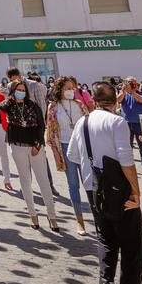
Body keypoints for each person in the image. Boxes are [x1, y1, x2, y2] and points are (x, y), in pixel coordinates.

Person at [66, 82, 142, 284]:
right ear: (115, 101)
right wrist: (136, 191)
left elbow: (72, 155)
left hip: (94, 191)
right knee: (133, 249)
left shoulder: (82, 123)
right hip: (119, 192)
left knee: (105, 240)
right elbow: (126, 159)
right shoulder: (117, 122)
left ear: (92, 100)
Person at [2, 74, 58, 230]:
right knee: (25, 181)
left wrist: (37, 144)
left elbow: (41, 126)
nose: (21, 92)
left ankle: (52, 215)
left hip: (35, 147)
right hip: (17, 146)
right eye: (18, 90)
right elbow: (2, 106)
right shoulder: (10, 105)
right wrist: (12, 97)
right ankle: (32, 214)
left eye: (23, 90)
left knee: (43, 181)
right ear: (13, 91)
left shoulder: (33, 105)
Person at [48, 75, 92, 235]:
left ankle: (97, 216)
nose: (70, 90)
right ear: (60, 89)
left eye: (72, 88)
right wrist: (56, 154)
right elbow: (51, 133)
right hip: (65, 147)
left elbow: (88, 125)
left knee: (90, 182)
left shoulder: (80, 104)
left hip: (83, 147)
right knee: (73, 184)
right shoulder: (53, 107)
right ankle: (80, 221)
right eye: (67, 88)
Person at [117, 77, 142, 169]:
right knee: (128, 146)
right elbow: (118, 100)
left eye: (133, 82)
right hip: (126, 124)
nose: (131, 84)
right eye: (129, 83)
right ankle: (128, 165)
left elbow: (141, 100)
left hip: (139, 123)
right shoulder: (123, 94)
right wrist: (123, 91)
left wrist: (132, 92)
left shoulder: (140, 93)